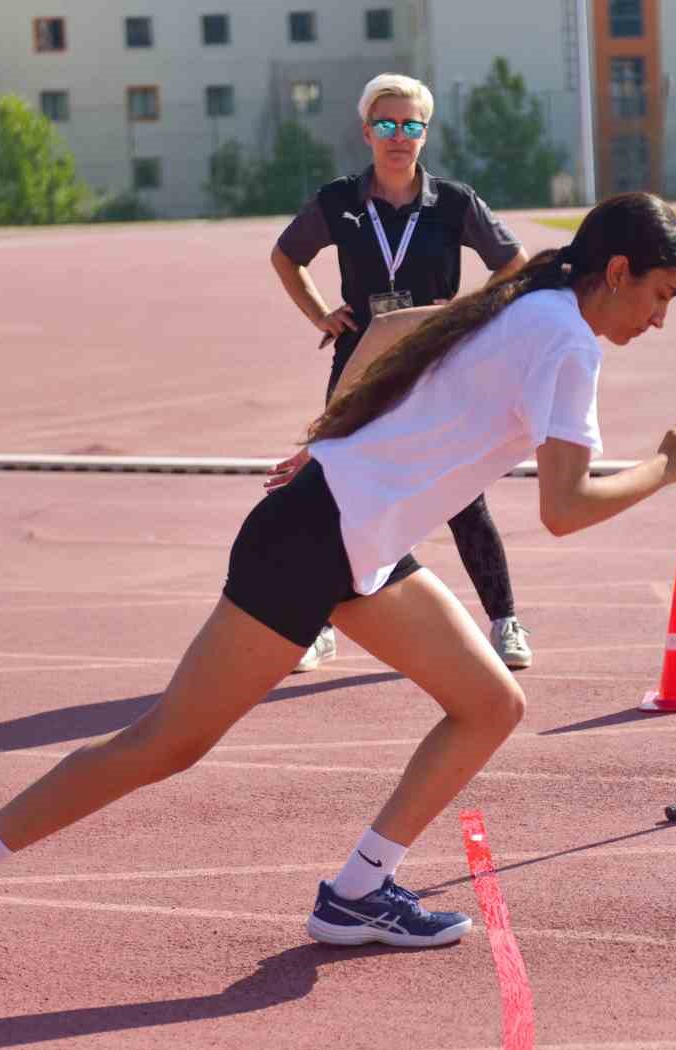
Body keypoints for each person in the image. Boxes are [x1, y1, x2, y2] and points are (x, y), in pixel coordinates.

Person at [0, 191, 676, 984]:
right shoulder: (567, 342)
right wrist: (666, 469)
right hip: (313, 541)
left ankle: (358, 890)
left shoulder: (527, 301)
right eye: (660, 296)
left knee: (490, 703)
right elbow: (565, 509)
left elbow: (386, 330)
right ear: (615, 272)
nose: (660, 319)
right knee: (166, 744)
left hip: (358, 539)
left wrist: (328, 442)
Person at [270, 73, 535, 674]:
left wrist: (467, 317)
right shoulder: (338, 201)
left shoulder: (455, 203)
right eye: (386, 125)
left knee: (462, 494)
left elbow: (514, 264)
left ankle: (505, 620)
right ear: (367, 132)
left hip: (436, 363)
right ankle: (317, 627)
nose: (398, 136)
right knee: (339, 489)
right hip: (361, 363)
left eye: (411, 126)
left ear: (424, 133)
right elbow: (286, 256)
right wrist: (319, 311)